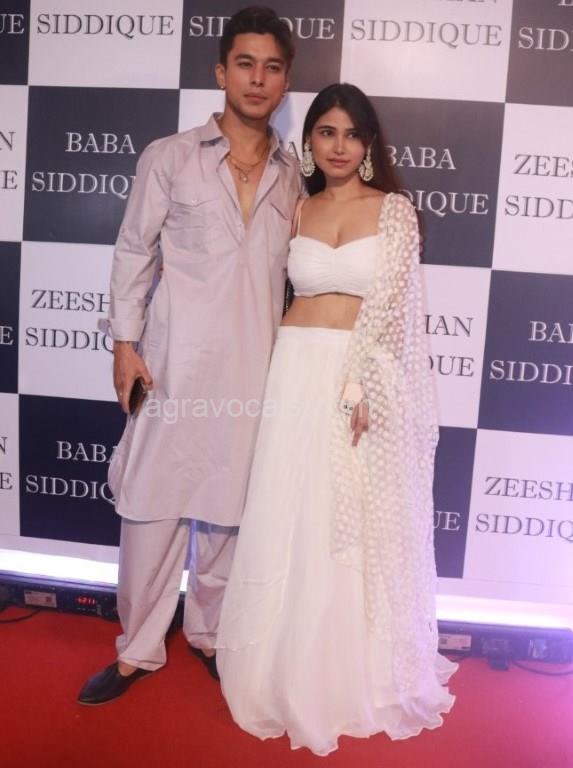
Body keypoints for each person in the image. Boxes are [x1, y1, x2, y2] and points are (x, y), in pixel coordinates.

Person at [215, 83, 458, 755]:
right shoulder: (298, 208)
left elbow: (397, 313)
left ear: (369, 143)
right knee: (289, 509)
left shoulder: (394, 211)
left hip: (358, 376)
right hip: (294, 369)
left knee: (345, 517)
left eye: (351, 133)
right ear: (310, 142)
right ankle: (277, 666)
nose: (339, 145)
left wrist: (363, 386)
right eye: (326, 132)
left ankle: (349, 672)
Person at [78, 6, 300, 705]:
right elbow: (133, 251)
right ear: (220, 72)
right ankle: (137, 649)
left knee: (230, 511)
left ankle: (209, 634)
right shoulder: (168, 156)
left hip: (255, 369)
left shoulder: (294, 174)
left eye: (271, 67)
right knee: (151, 506)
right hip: (172, 365)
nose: (257, 79)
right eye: (245, 64)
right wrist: (124, 345)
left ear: (284, 82)